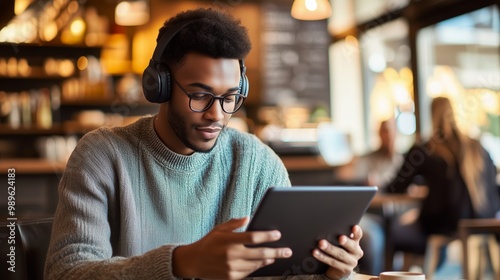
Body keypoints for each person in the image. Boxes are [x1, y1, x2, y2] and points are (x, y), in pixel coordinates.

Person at [44, 8, 364, 280]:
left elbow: (284, 273)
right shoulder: (102, 156)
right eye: (200, 95)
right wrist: (183, 262)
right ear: (160, 85)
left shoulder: (257, 162)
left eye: (229, 98)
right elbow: (66, 271)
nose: (217, 115)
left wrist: (329, 271)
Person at [384, 97, 500, 256]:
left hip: (445, 224)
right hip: (485, 222)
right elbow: (492, 179)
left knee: (394, 230)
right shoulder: (477, 146)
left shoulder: (425, 149)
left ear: (431, 115)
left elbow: (395, 187)